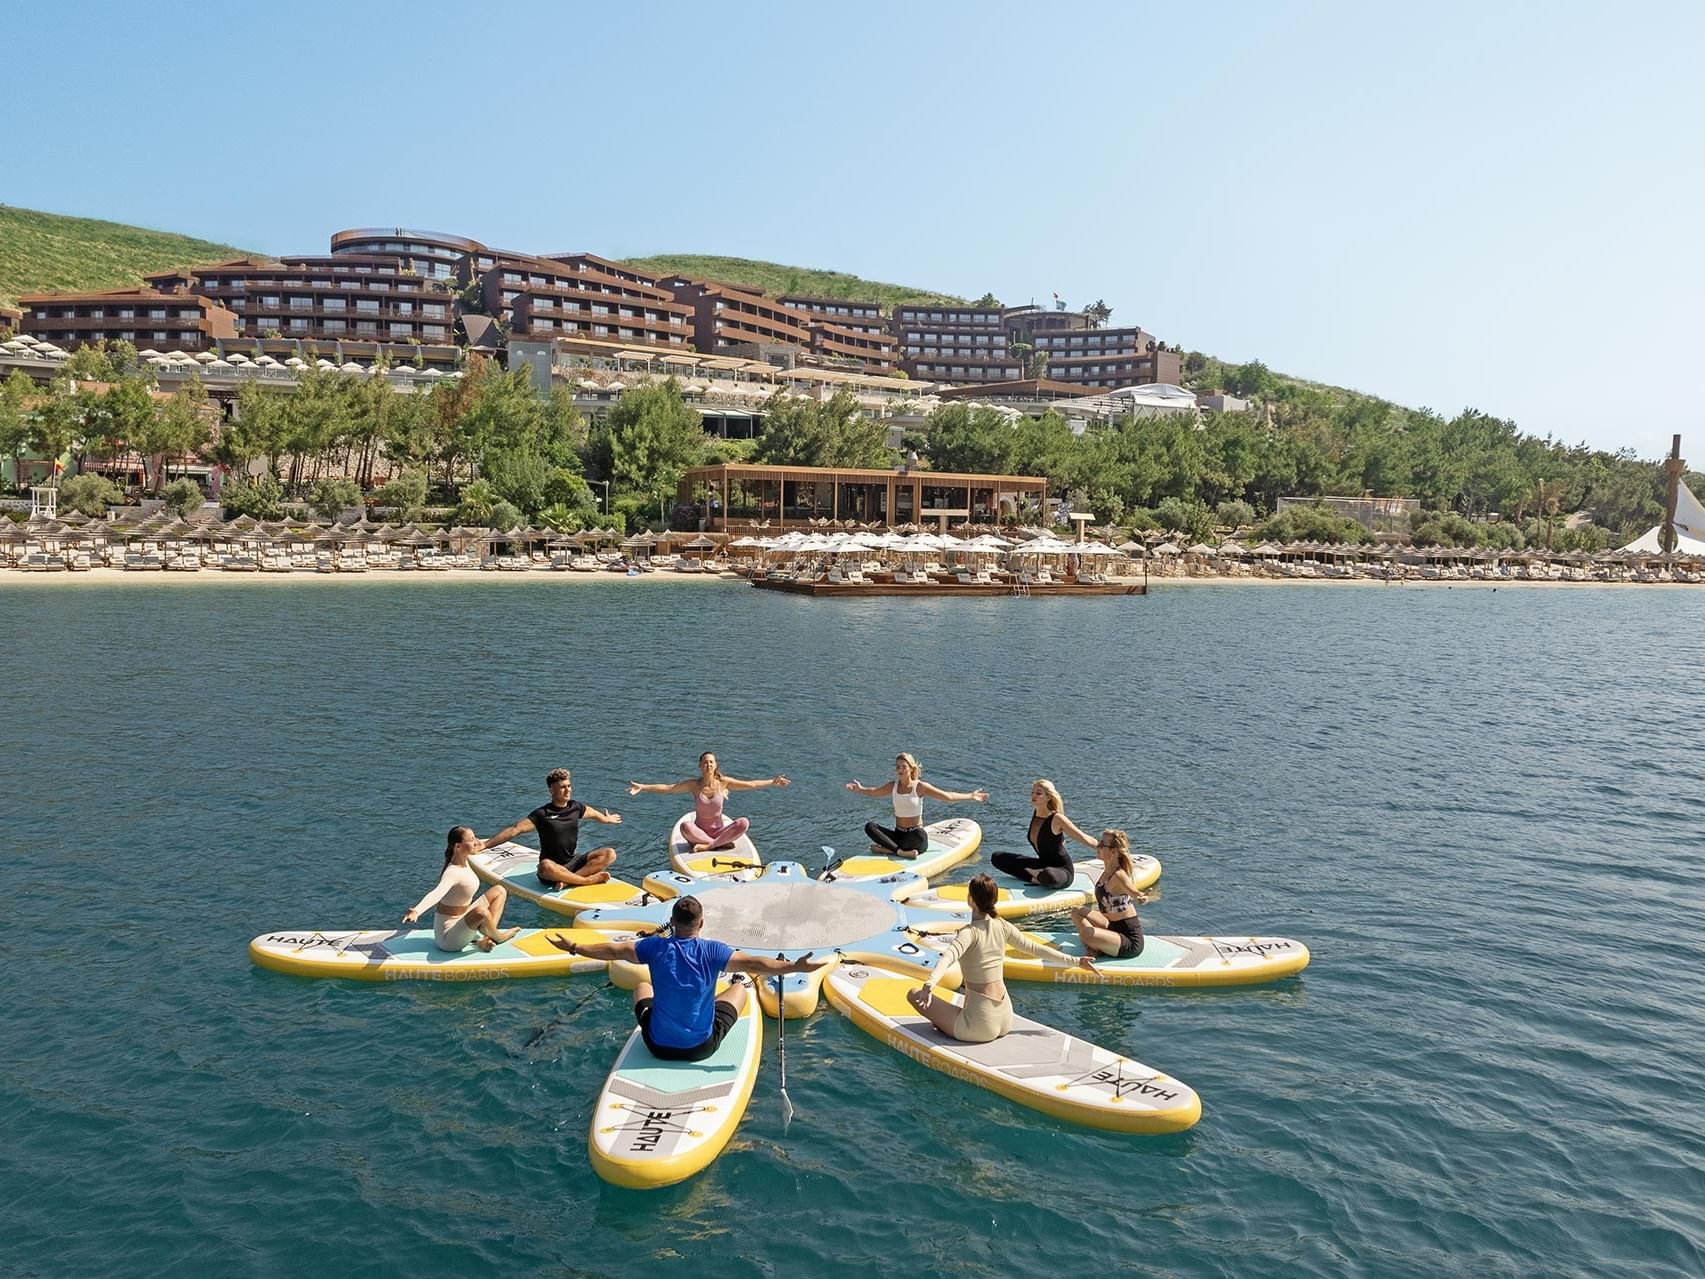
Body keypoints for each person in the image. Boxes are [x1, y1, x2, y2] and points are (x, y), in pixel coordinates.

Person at [549, 895, 824, 1061]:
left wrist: (574, 947)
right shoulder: (713, 950)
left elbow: (613, 950)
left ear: (672, 920)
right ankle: (731, 991)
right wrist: (792, 967)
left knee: (643, 986)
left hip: (657, 1046)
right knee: (741, 987)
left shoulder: (653, 948)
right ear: (701, 923)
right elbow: (756, 962)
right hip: (699, 1048)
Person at [906, 873, 1094, 1042]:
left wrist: (929, 984)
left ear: (970, 900)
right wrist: (1076, 961)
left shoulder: (969, 933)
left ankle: (951, 1025)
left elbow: (947, 958)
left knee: (913, 995)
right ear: (994, 900)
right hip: (1005, 1017)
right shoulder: (1003, 926)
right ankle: (956, 1021)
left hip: (980, 1026)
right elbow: (1035, 949)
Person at [480, 768, 620, 889]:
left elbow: (593, 814)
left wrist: (606, 819)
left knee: (609, 854)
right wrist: (485, 844)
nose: (568, 790)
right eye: (562, 787)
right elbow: (514, 830)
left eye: (569, 786)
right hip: (552, 868)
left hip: (572, 862)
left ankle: (567, 881)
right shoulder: (542, 814)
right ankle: (584, 880)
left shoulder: (576, 807)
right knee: (545, 865)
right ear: (552, 790)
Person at [628, 751, 789, 853]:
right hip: (698, 834)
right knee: (685, 826)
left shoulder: (723, 783)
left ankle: (710, 846)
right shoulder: (694, 785)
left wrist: (772, 782)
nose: (708, 765)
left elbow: (751, 784)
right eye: (705, 762)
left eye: (711, 762)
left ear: (715, 765)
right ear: (700, 766)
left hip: (720, 832)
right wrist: (642, 787)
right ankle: (718, 844)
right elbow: (669, 788)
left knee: (743, 823)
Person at [844, 752, 988, 859]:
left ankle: (888, 849)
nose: (900, 770)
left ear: (911, 769)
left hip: (915, 837)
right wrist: (860, 789)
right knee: (870, 826)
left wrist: (971, 796)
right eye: (897, 767)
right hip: (899, 835)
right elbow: (874, 792)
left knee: (920, 834)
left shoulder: (920, 787)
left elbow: (947, 796)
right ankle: (898, 851)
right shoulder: (892, 786)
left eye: (903, 767)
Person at [404, 826, 521, 953]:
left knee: (499, 891)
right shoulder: (452, 872)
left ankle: (487, 938)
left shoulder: (465, 861)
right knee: (481, 912)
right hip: (448, 939)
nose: (476, 841)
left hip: (462, 921)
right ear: (458, 846)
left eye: (475, 837)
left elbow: (478, 847)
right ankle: (498, 937)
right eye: (471, 840)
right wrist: (417, 910)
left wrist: (487, 844)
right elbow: (437, 893)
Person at [989, 779, 1100, 890]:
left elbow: (1083, 838)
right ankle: (1036, 877)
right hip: (1042, 864)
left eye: (1038, 793)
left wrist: (1104, 851)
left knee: (1049, 875)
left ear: (1048, 797)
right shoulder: (1036, 814)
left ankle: (1034, 874)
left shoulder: (1057, 819)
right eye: (1032, 792)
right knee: (997, 857)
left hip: (1061, 871)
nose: (1034, 796)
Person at [1069, 828, 1149, 959]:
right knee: (1076, 911)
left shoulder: (1119, 875)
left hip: (1129, 941)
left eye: (1102, 844)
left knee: (1086, 933)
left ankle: (1095, 946)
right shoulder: (1106, 872)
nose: (1098, 846)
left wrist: (1140, 896)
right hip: (1112, 926)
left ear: (1114, 851)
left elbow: (1133, 891)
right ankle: (1097, 946)